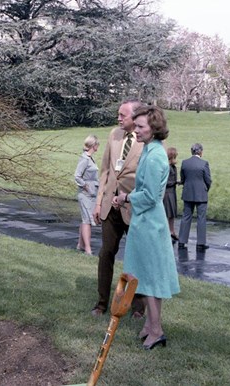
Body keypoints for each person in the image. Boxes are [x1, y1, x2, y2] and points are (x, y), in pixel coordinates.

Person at [113, 105, 180, 350]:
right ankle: (150, 326)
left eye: (141, 126)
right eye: (137, 125)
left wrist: (126, 198)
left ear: (154, 128)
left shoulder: (154, 156)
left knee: (150, 280)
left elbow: (151, 196)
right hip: (147, 222)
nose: (137, 130)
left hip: (150, 224)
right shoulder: (151, 150)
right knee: (145, 277)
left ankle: (156, 330)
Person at [91, 99, 145, 317]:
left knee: (136, 258)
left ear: (135, 116)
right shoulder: (114, 135)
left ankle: (138, 308)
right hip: (109, 207)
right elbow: (104, 170)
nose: (119, 118)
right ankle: (102, 303)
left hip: (132, 207)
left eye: (123, 115)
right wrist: (98, 202)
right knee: (106, 254)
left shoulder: (145, 140)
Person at [177, 143, 212, 250]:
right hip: (201, 194)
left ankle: (182, 241)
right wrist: (205, 189)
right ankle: (200, 243)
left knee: (186, 216)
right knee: (201, 218)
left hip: (188, 192)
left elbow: (183, 178)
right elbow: (208, 180)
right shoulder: (204, 164)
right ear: (200, 151)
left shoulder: (185, 163)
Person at [74, 135, 100, 254]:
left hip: (92, 193)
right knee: (87, 220)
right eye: (97, 144)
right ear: (93, 145)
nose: (98, 146)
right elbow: (77, 176)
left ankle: (80, 244)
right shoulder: (85, 159)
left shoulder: (89, 158)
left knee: (85, 218)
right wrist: (85, 185)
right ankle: (88, 249)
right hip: (86, 194)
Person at [163, 147, 179, 242]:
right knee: (167, 213)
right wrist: (175, 182)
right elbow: (166, 182)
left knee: (172, 213)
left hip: (172, 192)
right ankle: (166, 232)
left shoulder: (172, 166)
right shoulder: (167, 167)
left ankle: (172, 231)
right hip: (167, 192)